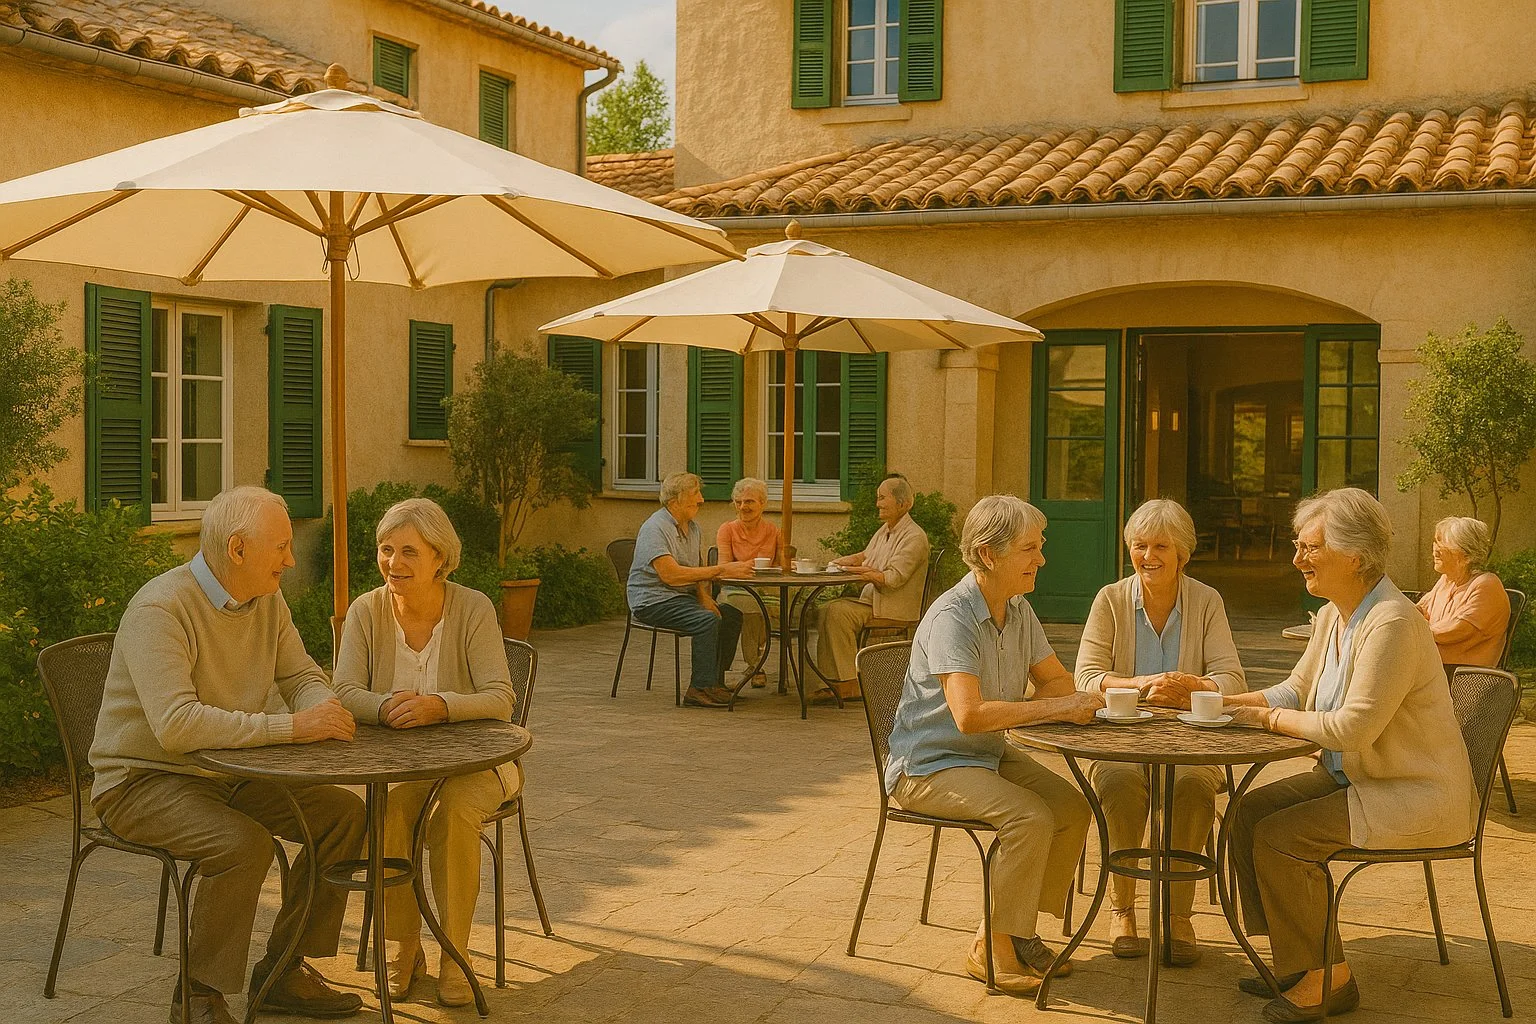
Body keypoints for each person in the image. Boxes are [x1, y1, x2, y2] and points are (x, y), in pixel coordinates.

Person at [88, 486, 364, 1024]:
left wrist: (322, 706)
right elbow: (176, 725)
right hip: (142, 781)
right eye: (280, 547)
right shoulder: (160, 609)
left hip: (228, 773)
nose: (290, 558)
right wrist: (291, 727)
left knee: (342, 815)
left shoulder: (267, 599)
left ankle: (284, 969)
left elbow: (300, 675)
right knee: (242, 844)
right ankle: (198, 996)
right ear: (238, 549)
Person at [1212, 488, 1477, 1022]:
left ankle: (1328, 981)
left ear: (1353, 557)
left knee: (1282, 838)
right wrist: (1217, 701)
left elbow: (1353, 728)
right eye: (1298, 545)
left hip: (1411, 792)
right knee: (1246, 814)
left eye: (1310, 548)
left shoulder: (1393, 622)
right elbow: (1294, 690)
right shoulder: (1336, 614)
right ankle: (1297, 961)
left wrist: (1262, 720)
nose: (1296, 559)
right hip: (1356, 779)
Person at [885, 495, 1101, 996]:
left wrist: (1099, 694)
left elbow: (1055, 680)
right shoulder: (953, 617)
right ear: (988, 554)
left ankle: (1017, 932)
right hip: (928, 766)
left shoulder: (1018, 609)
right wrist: (1055, 708)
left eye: (1039, 547)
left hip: (984, 756)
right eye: (1029, 549)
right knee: (1029, 817)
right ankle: (990, 948)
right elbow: (970, 715)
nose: (1041, 559)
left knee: (1071, 806)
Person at [331, 498, 518, 1007]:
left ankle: (455, 953)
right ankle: (402, 946)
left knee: (455, 812)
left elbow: (501, 698)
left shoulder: (473, 607)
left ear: (441, 557)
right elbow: (343, 690)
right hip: (403, 769)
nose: (395, 563)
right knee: (389, 815)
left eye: (409, 551)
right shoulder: (366, 612)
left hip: (479, 763)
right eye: (386, 550)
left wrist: (441, 706)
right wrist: (384, 704)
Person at [1075, 499, 1246, 965]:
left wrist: (1190, 686)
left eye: (1160, 546)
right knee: (1118, 783)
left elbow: (1232, 680)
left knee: (1192, 787)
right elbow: (1086, 676)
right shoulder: (1110, 600)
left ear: (1182, 554)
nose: (1148, 555)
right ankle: (1122, 908)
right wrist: (1142, 684)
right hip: (1123, 741)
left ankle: (1177, 915)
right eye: (1140, 545)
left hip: (1193, 742)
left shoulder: (1207, 601)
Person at [629, 472, 754, 707]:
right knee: (706, 621)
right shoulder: (655, 528)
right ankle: (698, 689)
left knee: (730, 615)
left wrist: (705, 596)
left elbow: (695, 571)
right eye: (695, 494)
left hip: (681, 597)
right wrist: (721, 570)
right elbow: (671, 575)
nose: (702, 500)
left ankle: (714, 683)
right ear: (675, 501)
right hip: (653, 600)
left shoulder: (693, 528)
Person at [815, 474, 930, 702]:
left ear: (902, 504)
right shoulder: (886, 530)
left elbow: (892, 579)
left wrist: (855, 573)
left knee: (837, 613)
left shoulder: (915, 537)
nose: (877, 503)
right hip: (871, 602)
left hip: (892, 607)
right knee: (826, 609)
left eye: (882, 498)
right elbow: (865, 556)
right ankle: (834, 681)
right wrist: (842, 562)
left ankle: (850, 684)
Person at [1416, 515, 1511, 671]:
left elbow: (1453, 631)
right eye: (1435, 542)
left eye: (1443, 546)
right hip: (1434, 671)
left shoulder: (1487, 585)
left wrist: (1414, 630)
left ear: (1466, 556)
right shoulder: (1446, 581)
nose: (1435, 551)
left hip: (1462, 678)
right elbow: (1417, 611)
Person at [716, 477, 784, 688]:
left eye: (749, 502)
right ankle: (756, 665)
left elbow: (783, 567)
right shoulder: (727, 530)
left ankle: (760, 665)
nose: (743, 507)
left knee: (789, 610)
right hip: (735, 587)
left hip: (766, 587)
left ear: (762, 503)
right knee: (752, 610)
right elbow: (724, 567)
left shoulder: (774, 531)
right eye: (739, 502)